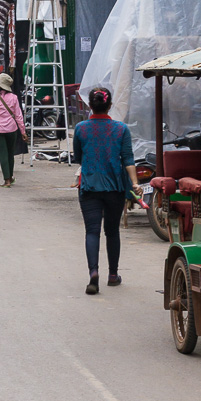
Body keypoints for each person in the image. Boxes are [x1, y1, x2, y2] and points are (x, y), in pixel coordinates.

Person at [72, 85, 139, 294]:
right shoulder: (121, 129)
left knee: (92, 231)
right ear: (110, 106)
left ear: (89, 106)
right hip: (114, 188)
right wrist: (135, 183)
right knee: (112, 231)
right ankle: (113, 274)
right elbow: (128, 159)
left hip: (89, 186)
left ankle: (93, 273)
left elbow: (77, 157)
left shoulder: (81, 128)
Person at [0, 73, 27, 187]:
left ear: (0, 86)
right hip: (12, 129)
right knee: (10, 154)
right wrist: (23, 131)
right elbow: (18, 115)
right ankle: (10, 177)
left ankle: (6, 180)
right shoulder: (14, 97)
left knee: (2, 154)